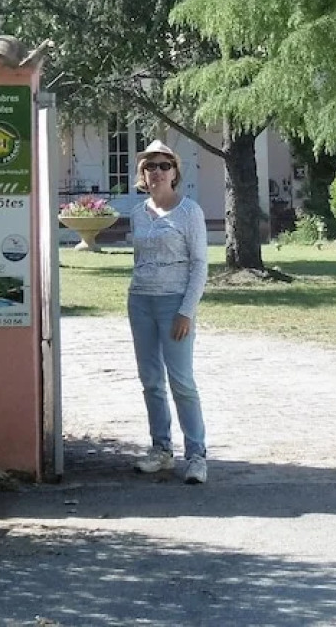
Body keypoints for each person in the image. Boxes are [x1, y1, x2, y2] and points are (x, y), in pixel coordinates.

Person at [127, 139, 209, 484]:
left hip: (174, 303)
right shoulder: (137, 213)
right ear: (141, 174)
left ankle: (196, 455)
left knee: (182, 381)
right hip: (141, 301)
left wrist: (186, 311)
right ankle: (161, 449)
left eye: (163, 166)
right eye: (150, 166)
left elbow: (200, 264)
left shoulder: (189, 212)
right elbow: (138, 260)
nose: (156, 172)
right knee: (151, 381)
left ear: (175, 171)